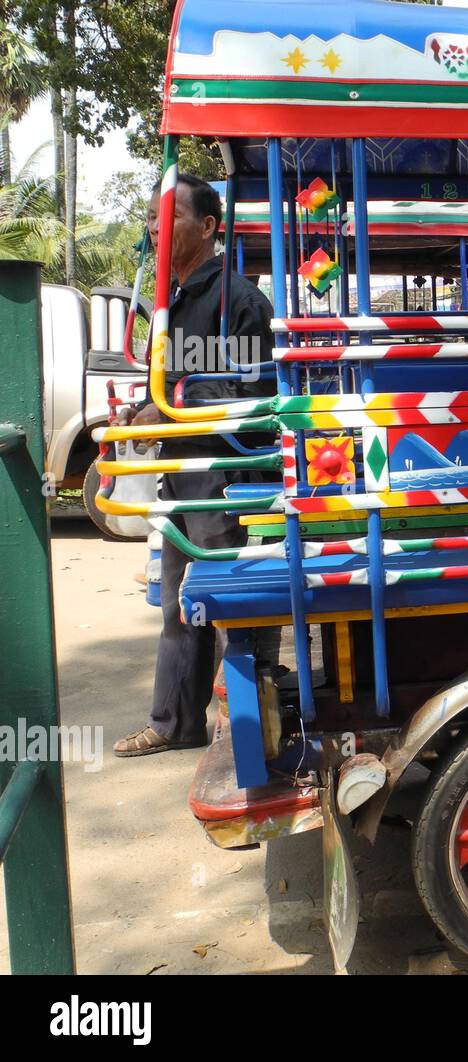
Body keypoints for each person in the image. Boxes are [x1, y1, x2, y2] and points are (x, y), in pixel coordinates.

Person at [114, 175, 276, 756]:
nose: (155, 228)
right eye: (151, 218)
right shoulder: (171, 303)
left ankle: (255, 733)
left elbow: (253, 393)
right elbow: (174, 381)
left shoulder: (239, 301)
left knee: (234, 603)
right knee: (180, 604)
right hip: (182, 472)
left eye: (169, 215)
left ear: (208, 226)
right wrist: (145, 408)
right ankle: (175, 723)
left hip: (227, 476)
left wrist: (167, 406)